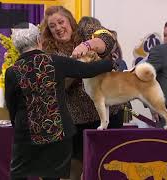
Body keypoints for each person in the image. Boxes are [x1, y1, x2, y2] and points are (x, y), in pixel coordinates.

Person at [5, 23, 115, 180]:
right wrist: (112, 64)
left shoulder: (12, 72)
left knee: (19, 175)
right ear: (39, 40)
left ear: (16, 47)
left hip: (27, 134)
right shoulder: (55, 61)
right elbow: (88, 71)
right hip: (58, 132)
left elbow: (11, 105)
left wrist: (17, 125)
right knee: (53, 176)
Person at [39, 6, 118, 180]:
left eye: (61, 22)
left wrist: (87, 45)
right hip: (77, 118)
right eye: (53, 26)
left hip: (108, 113)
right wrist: (77, 66)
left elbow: (107, 39)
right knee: (74, 167)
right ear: (49, 31)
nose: (58, 28)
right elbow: (58, 85)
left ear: (70, 21)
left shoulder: (86, 28)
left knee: (108, 165)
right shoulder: (49, 52)